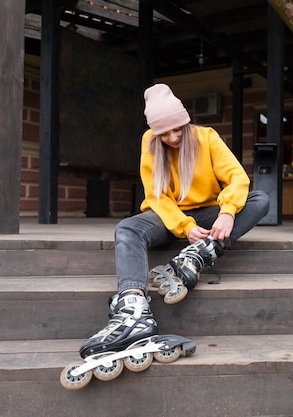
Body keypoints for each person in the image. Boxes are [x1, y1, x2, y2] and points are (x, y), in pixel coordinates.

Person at [79, 83, 270, 358]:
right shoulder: (150, 142)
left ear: (185, 121)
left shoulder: (207, 137)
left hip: (209, 212)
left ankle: (196, 255)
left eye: (176, 129)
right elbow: (157, 197)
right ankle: (133, 309)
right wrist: (185, 227)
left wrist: (227, 212)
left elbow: (238, 178)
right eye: (164, 133)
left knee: (259, 199)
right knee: (128, 229)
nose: (171, 137)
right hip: (169, 216)